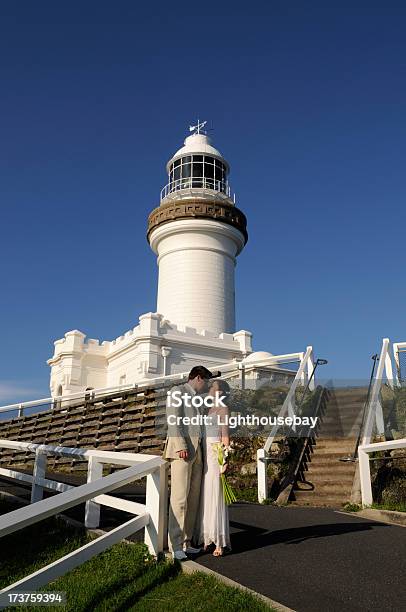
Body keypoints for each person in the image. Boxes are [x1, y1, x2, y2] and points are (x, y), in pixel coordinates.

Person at [163, 365, 213, 561]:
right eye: (206, 382)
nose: (207, 386)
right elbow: (173, 420)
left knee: (192, 500)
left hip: (197, 453)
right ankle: (175, 545)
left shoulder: (198, 399)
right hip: (182, 450)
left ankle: (186, 542)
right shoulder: (178, 392)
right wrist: (180, 444)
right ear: (199, 378)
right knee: (179, 499)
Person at [196, 378, 231, 557]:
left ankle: (219, 541)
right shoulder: (207, 409)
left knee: (215, 496)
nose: (210, 391)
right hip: (204, 456)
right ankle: (207, 537)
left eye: (213, 389)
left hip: (215, 454)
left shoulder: (223, 409)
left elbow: (225, 437)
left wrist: (224, 460)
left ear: (221, 393)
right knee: (206, 496)